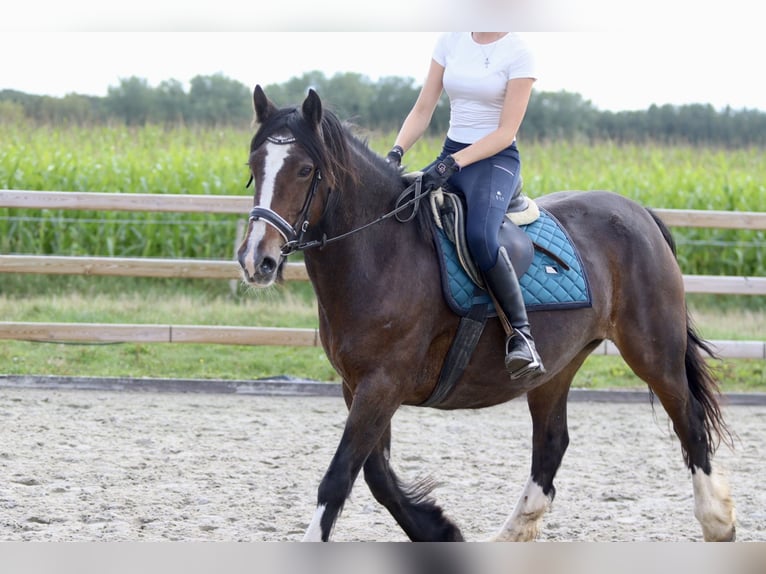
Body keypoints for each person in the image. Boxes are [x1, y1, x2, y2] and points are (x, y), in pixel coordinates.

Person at [386, 32, 544, 380]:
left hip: (495, 161)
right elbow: (423, 108)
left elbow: (505, 132)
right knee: (400, 211)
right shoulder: (450, 41)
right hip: (452, 154)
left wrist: (454, 164)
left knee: (480, 235)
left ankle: (521, 336)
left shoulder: (518, 52)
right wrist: (396, 152)